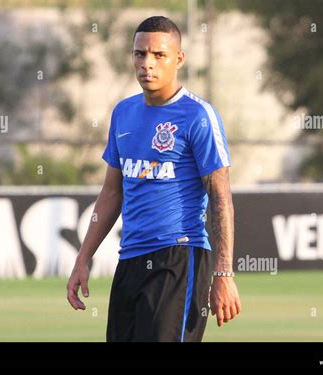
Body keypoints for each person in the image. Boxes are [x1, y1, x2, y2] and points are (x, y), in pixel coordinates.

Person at [67, 15, 241, 342]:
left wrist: (224, 273)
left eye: (159, 55)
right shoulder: (123, 113)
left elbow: (221, 198)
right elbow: (111, 194)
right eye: (140, 54)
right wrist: (83, 258)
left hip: (179, 259)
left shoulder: (198, 117)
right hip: (129, 260)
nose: (148, 63)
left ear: (179, 59)